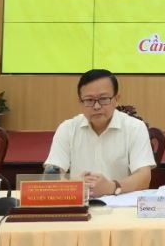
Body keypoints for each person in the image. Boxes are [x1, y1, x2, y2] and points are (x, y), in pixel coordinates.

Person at [44, 69, 155, 197]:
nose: (96, 106)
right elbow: (50, 175)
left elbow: (144, 177)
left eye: (103, 99)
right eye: (89, 100)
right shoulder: (67, 128)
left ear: (116, 99)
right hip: (79, 202)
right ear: (80, 102)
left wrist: (112, 187)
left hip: (120, 204)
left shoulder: (135, 128)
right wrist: (75, 186)